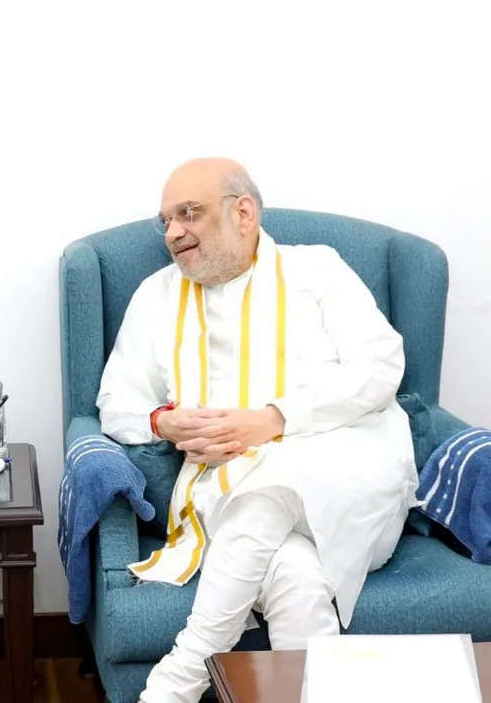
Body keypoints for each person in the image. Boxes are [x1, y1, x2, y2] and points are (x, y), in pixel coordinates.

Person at [97, 158, 416, 703]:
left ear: (243, 212)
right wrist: (162, 421)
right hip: (228, 499)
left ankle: (181, 676)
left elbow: (381, 366)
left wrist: (273, 420)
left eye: (188, 214)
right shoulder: (157, 295)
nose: (173, 233)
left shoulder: (317, 270)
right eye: (166, 221)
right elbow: (114, 402)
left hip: (350, 479)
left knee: (270, 484)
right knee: (296, 578)